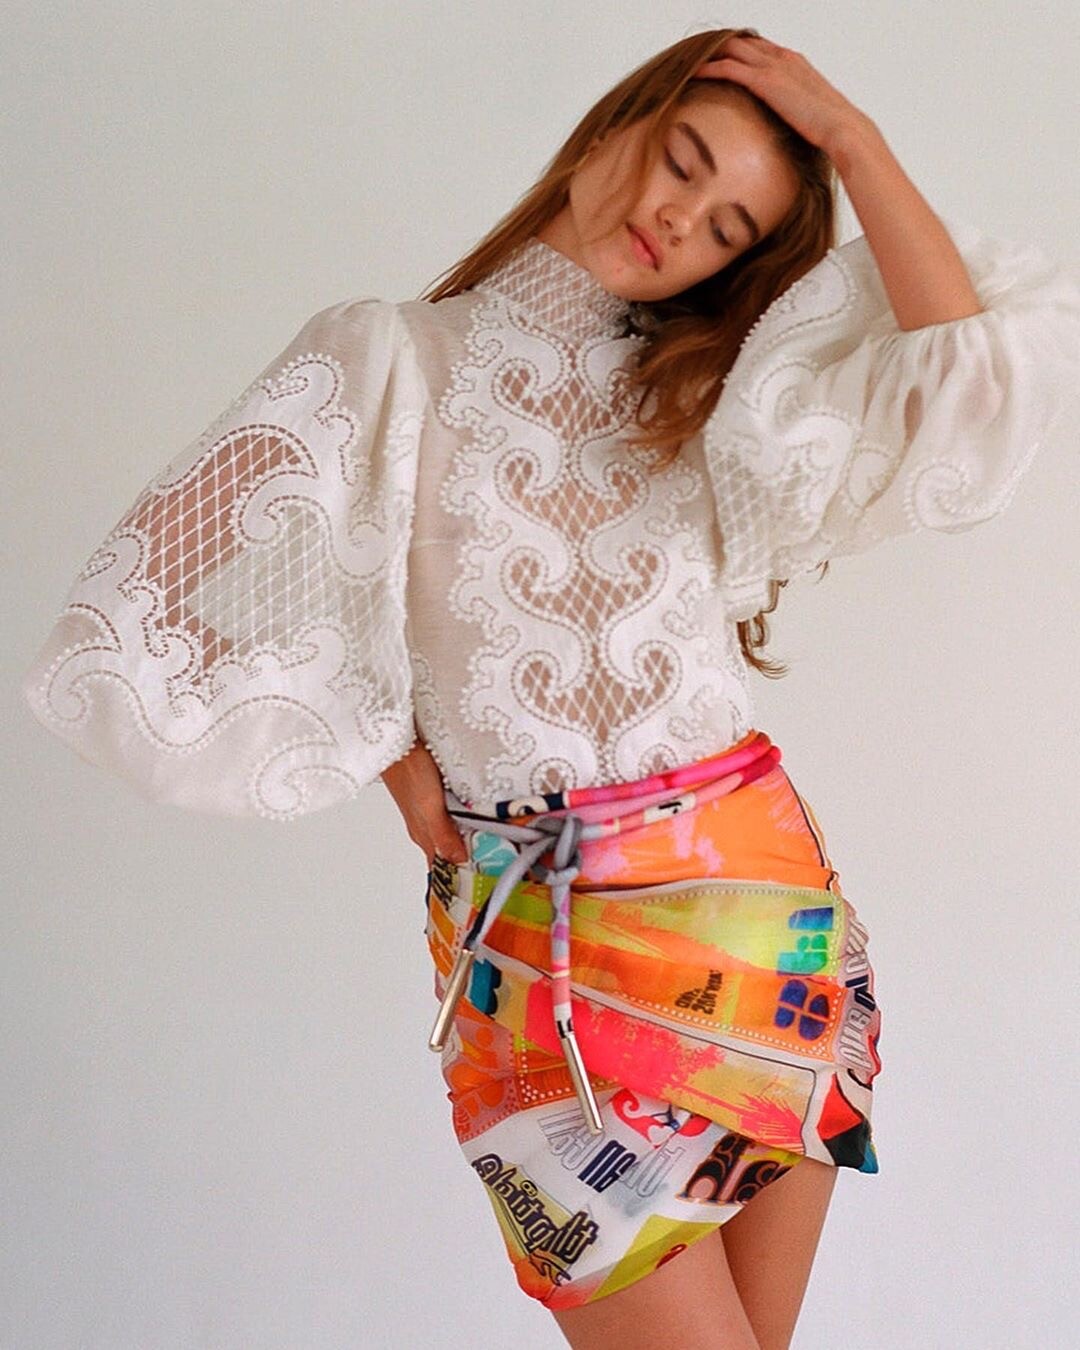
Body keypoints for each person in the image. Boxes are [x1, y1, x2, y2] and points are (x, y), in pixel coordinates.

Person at [20, 26, 1080, 1350]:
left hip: (763, 931)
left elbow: (971, 376)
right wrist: (388, 743)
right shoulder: (388, 357)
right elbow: (156, 587)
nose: (681, 218)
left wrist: (852, 140)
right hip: (543, 955)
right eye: (682, 160)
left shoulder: (721, 392)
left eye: (728, 226)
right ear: (610, 127)